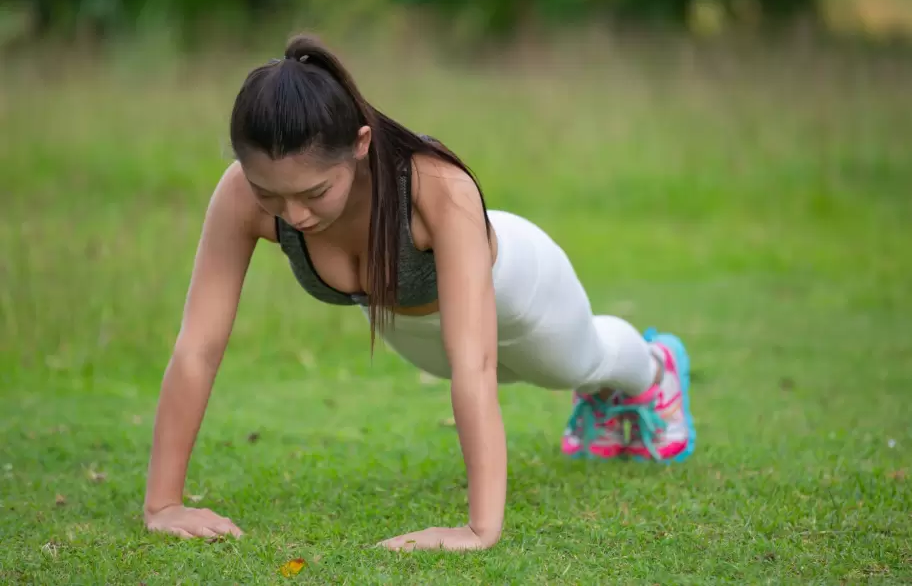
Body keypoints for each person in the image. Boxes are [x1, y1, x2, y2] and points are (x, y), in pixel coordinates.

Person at [142, 34, 696, 552]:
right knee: (490, 371)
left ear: (360, 145)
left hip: (517, 291)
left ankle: (654, 367)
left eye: (314, 192)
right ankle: (608, 394)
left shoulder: (436, 187)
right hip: (409, 326)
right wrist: (163, 505)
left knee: (575, 365)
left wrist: (479, 528)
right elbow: (198, 347)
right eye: (271, 195)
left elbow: (474, 364)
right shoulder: (240, 195)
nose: (295, 215)